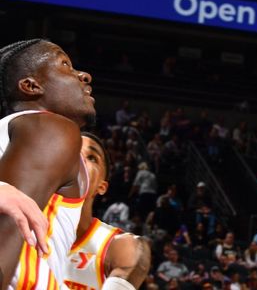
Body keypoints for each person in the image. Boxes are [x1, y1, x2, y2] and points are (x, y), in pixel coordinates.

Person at [0, 39, 95, 289]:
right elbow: (8, 231)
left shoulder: (16, 132)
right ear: (31, 86)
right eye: (65, 64)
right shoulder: (50, 128)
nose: (84, 76)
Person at [64, 132, 151, 290]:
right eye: (72, 151)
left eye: (92, 157)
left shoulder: (119, 246)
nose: (80, 158)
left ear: (101, 187)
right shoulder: (14, 223)